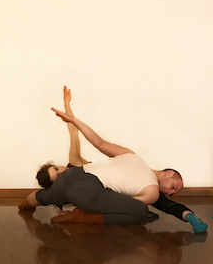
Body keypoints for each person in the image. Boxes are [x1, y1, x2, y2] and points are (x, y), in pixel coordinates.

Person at [19, 87, 208, 232]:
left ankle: (22, 206)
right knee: (140, 212)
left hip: (78, 176)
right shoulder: (151, 191)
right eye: (173, 187)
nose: (168, 191)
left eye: (172, 193)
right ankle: (83, 217)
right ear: (169, 172)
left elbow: (99, 143)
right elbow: (118, 202)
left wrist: (74, 120)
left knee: (40, 197)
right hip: (89, 192)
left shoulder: (130, 155)